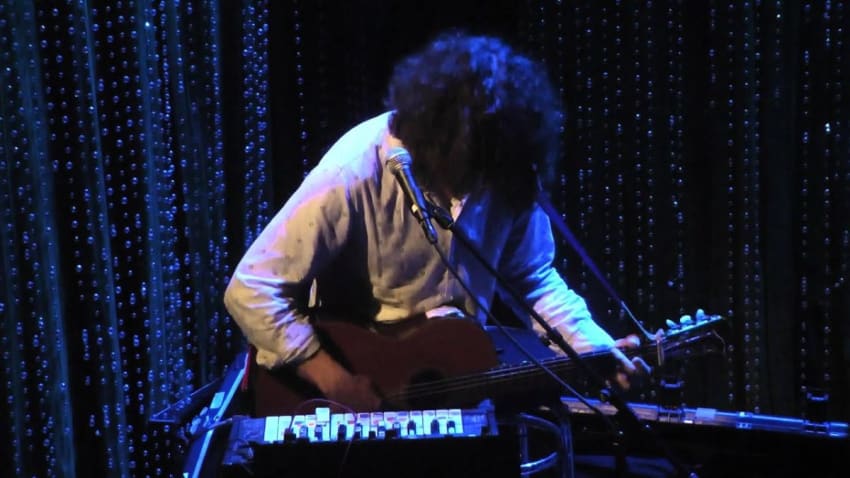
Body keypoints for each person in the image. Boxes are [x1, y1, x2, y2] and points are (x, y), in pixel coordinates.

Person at [224, 31, 645, 413]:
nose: (481, 176)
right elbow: (252, 289)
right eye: (472, 157)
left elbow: (532, 278)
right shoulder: (354, 171)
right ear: (440, 138)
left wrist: (593, 349)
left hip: (459, 389)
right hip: (354, 400)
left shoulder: (506, 170)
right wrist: (334, 379)